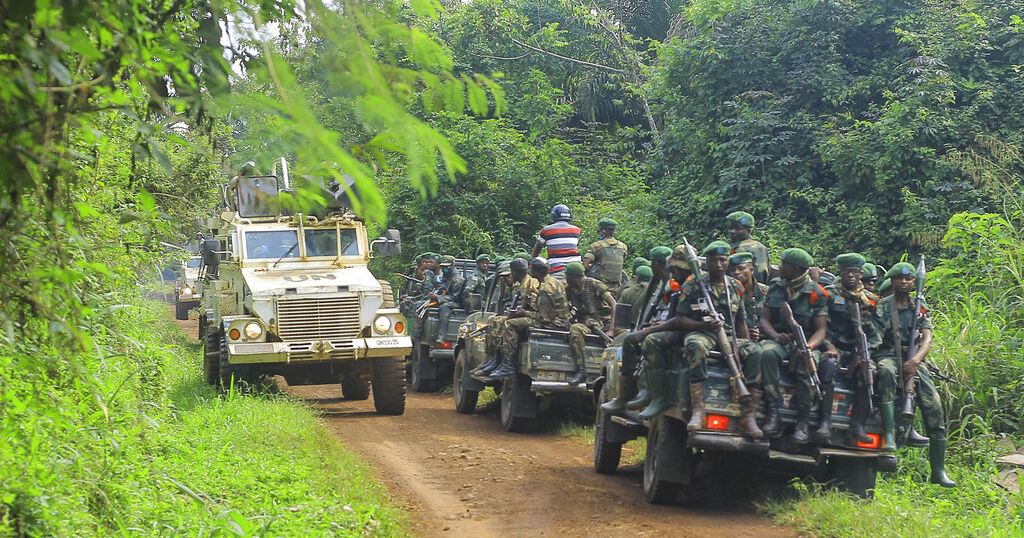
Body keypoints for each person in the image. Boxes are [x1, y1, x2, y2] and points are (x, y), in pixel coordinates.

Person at [873, 262, 956, 487]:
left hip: (914, 360)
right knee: (887, 372)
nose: (904, 282)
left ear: (913, 282)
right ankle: (889, 436)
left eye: (909, 279)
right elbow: (876, 340)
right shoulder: (883, 306)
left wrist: (915, 361)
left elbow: (927, 338)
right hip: (888, 355)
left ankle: (938, 471)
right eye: (900, 278)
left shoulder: (919, 305)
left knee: (934, 406)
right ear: (892, 281)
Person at [674, 241, 762, 438]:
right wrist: (703, 326)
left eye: (723, 260)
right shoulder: (694, 284)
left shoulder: (735, 286)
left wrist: (744, 345)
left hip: (729, 336)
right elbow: (680, 318)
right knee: (695, 346)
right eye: (715, 260)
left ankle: (748, 416)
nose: (719, 264)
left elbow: (740, 321)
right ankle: (699, 410)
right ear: (708, 262)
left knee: (757, 351)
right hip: (703, 333)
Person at [750, 248, 829, 442]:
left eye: (783, 264)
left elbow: (821, 330)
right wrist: (775, 336)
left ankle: (802, 422)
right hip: (780, 339)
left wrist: (808, 347)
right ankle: (773, 411)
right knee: (766, 353)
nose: (780, 267)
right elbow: (765, 320)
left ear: (795, 268)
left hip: (805, 343)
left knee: (806, 367)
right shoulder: (777, 287)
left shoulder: (816, 293)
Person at [600, 246, 673, 414]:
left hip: (667, 329)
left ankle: (631, 394)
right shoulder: (660, 285)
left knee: (631, 340)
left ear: (655, 264)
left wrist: (649, 328)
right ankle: (627, 396)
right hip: (662, 327)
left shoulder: (670, 285)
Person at [822, 253, 884, 444]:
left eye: (855, 272)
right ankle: (825, 421)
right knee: (828, 368)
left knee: (869, 373)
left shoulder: (870, 300)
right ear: (840, 272)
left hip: (857, 350)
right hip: (832, 346)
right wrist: (828, 345)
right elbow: (818, 326)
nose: (851, 276)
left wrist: (863, 354)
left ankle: (857, 425)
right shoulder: (828, 294)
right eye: (847, 271)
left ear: (860, 275)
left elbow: (877, 334)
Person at [634, 244, 699, 419]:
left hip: (690, 332)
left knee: (651, 340)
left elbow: (678, 319)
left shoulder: (689, 284)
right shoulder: (680, 283)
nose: (672, 270)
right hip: (686, 329)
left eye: (675, 267)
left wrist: (650, 330)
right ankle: (646, 392)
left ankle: (657, 397)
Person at [489, 258, 571, 380]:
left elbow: (543, 318)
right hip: (558, 320)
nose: (529, 271)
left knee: (509, 324)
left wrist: (523, 312)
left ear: (536, 271)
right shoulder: (554, 281)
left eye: (531, 268)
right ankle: (498, 361)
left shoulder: (545, 289)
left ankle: (508, 365)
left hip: (554, 324)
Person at [471, 259, 529, 379]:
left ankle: (501, 361)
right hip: (519, 314)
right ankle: (491, 358)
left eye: (508, 276)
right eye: (504, 277)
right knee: (493, 320)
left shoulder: (522, 285)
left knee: (501, 322)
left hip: (527, 317)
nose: (506, 280)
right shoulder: (512, 286)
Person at [565, 262, 617, 386]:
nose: (566, 278)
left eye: (567, 276)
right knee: (575, 330)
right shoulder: (570, 290)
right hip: (589, 323)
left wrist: (611, 329)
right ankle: (581, 371)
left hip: (606, 321)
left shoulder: (594, 284)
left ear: (572, 276)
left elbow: (614, 304)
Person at [532, 204, 581, 277]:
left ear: (554, 216)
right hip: (576, 268)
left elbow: (537, 248)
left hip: (556, 270)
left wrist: (533, 259)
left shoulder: (546, 230)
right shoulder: (577, 230)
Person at [582, 218, 628, 295]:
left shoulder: (596, 246)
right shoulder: (623, 247)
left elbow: (585, 265)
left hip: (599, 287)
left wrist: (592, 268)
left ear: (602, 231)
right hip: (617, 288)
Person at [429, 255, 466, 344]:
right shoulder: (447, 277)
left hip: (458, 302)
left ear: (452, 266)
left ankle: (442, 336)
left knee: (444, 307)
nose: (444, 269)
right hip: (448, 298)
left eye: (446, 267)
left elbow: (455, 297)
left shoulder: (457, 279)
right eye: (443, 267)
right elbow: (443, 288)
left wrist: (438, 298)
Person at [727, 211, 770, 284]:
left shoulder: (757, 248)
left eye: (738, 229)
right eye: (731, 228)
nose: (732, 231)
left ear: (748, 231)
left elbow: (760, 275)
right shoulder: (729, 246)